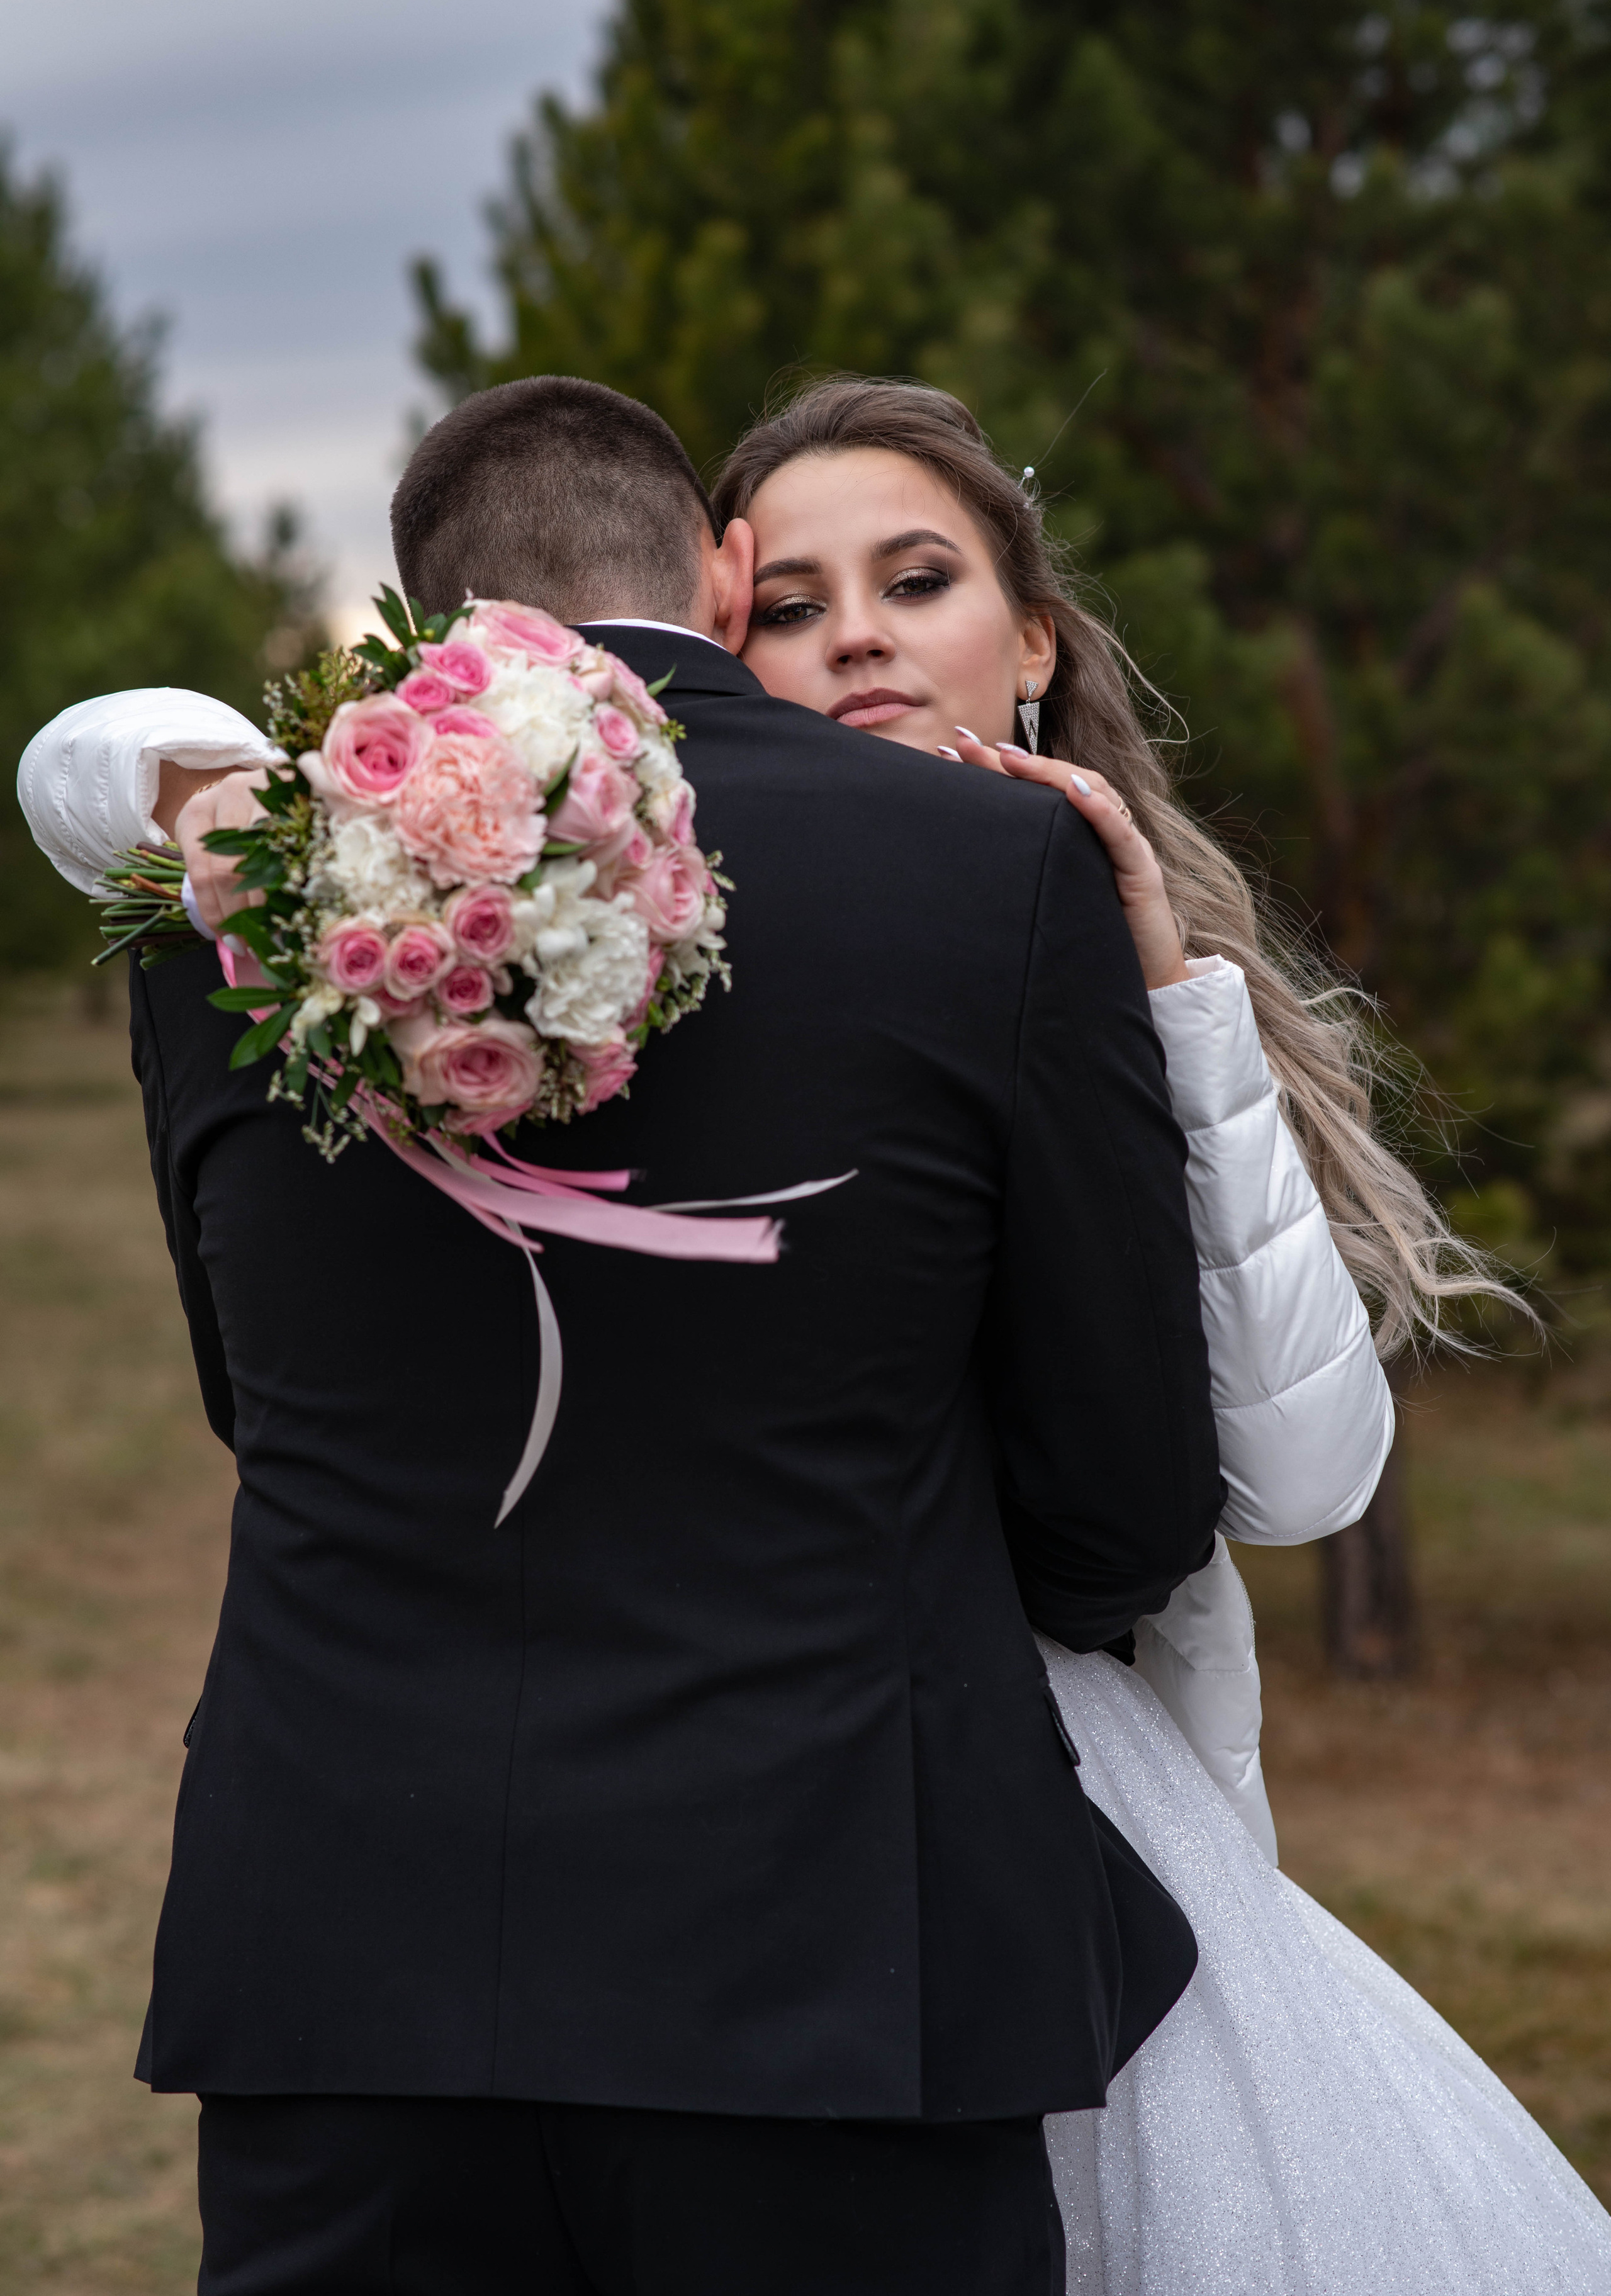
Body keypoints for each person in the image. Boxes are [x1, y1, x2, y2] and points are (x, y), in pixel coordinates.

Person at [18, 376, 1227, 2296]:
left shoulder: (233, 903)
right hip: (833, 1970)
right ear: (727, 573)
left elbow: (263, 1401)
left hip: (350, 1972)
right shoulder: (996, 873)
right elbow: (1124, 1496)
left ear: (425, 616)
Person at [708, 374, 1611, 2291]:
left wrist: (1176, 1004)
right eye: (790, 603)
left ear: (1033, 640)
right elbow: (105, 771)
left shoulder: (1160, 969)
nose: (855, 633)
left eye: (917, 579)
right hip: (754, 1811)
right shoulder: (662, 952)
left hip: (1086, 1817)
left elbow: (1301, 1475)